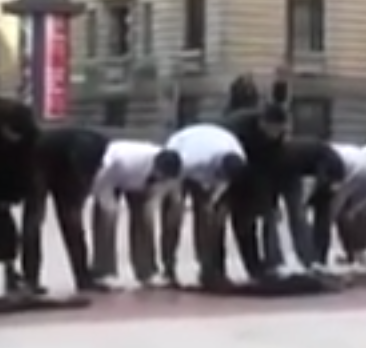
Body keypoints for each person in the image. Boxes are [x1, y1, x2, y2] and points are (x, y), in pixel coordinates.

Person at [20, 126, 111, 293]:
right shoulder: (88, 150)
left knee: (72, 222)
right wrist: (79, 194)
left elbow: (85, 177)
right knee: (34, 220)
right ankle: (31, 278)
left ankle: (82, 277)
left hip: (65, 164)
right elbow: (82, 175)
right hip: (39, 159)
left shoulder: (98, 149)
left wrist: (79, 195)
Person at [164, 123, 247, 288]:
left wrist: (211, 201)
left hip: (207, 156)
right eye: (218, 174)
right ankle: (168, 268)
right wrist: (178, 198)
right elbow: (175, 180)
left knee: (211, 219)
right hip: (180, 154)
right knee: (174, 214)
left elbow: (222, 188)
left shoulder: (238, 159)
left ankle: (209, 269)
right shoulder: (192, 158)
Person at [89, 140, 183, 288]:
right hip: (112, 177)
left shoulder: (170, 171)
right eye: (161, 175)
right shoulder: (120, 161)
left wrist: (150, 205)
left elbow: (154, 198)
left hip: (141, 183)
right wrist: (107, 202)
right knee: (106, 218)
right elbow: (101, 183)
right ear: (156, 166)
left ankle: (147, 271)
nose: (163, 179)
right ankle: (103, 271)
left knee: (145, 221)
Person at [220, 101, 289, 279]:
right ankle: (215, 269)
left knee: (251, 220)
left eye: (279, 131)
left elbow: (273, 168)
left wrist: (271, 201)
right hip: (227, 166)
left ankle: (256, 268)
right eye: (273, 130)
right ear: (263, 123)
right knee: (227, 220)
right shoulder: (238, 127)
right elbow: (227, 162)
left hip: (257, 170)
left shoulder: (277, 138)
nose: (275, 135)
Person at [274, 137, 346, 270]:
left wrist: (310, 199)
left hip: (311, 167)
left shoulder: (330, 164)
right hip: (290, 169)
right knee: (299, 215)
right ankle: (311, 259)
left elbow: (323, 186)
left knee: (310, 215)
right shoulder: (287, 158)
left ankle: (315, 258)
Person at [0, 97, 40, 294]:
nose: (14, 137)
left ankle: (11, 273)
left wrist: (13, 194)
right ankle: (10, 273)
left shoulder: (27, 137)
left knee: (5, 229)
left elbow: (24, 164)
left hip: (3, 181)